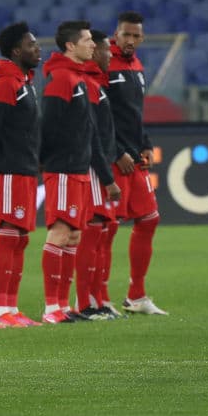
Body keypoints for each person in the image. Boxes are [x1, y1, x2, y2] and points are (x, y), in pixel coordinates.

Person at [39, 21, 106, 324]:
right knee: (60, 231)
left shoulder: (78, 77)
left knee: (74, 235)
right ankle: (51, 307)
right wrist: (53, 161)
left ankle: (64, 306)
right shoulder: (62, 78)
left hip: (78, 167)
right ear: (70, 46)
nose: (93, 45)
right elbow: (49, 124)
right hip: (63, 167)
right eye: (88, 40)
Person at [107, 11, 165, 315]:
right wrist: (116, 152)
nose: (130, 41)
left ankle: (136, 296)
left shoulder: (136, 66)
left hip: (134, 157)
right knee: (105, 228)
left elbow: (133, 114)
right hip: (115, 159)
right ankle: (93, 299)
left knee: (149, 219)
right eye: (125, 34)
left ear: (142, 38)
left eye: (136, 36)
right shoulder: (105, 63)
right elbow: (99, 116)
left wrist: (144, 144)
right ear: (116, 34)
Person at [0, 22, 43, 327]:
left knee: (20, 238)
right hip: (9, 169)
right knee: (10, 235)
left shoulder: (24, 82)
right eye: (32, 44)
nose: (38, 49)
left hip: (25, 169)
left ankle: (12, 307)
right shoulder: (7, 84)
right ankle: (0, 308)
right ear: (16, 50)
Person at [77, 30, 122, 319]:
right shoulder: (90, 85)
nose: (110, 55)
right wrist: (106, 176)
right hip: (93, 169)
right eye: (106, 50)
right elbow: (92, 136)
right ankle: (86, 302)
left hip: (102, 166)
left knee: (106, 230)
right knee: (93, 231)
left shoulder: (97, 84)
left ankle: (100, 297)